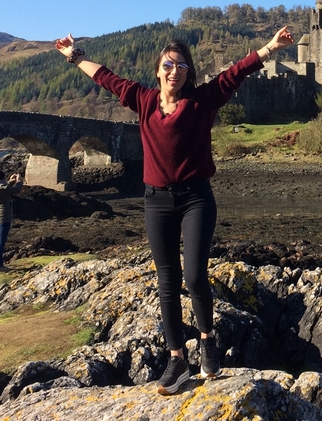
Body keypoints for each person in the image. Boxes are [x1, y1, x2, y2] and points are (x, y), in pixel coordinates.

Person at [55, 26, 295, 395]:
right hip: (156, 201)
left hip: (196, 197)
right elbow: (106, 78)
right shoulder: (143, 99)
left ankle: (208, 340)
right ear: (158, 70)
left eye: (181, 66)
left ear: (188, 73)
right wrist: (75, 55)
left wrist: (271, 48)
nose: (174, 71)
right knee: (166, 282)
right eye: (169, 64)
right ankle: (177, 359)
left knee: (195, 277)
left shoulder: (202, 101)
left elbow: (236, 71)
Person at [0, 168, 24, 272]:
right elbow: (16, 190)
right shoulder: (2, 188)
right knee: (1, 242)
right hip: (4, 217)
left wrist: (10, 182)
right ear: (2, 178)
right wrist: (19, 181)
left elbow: (3, 188)